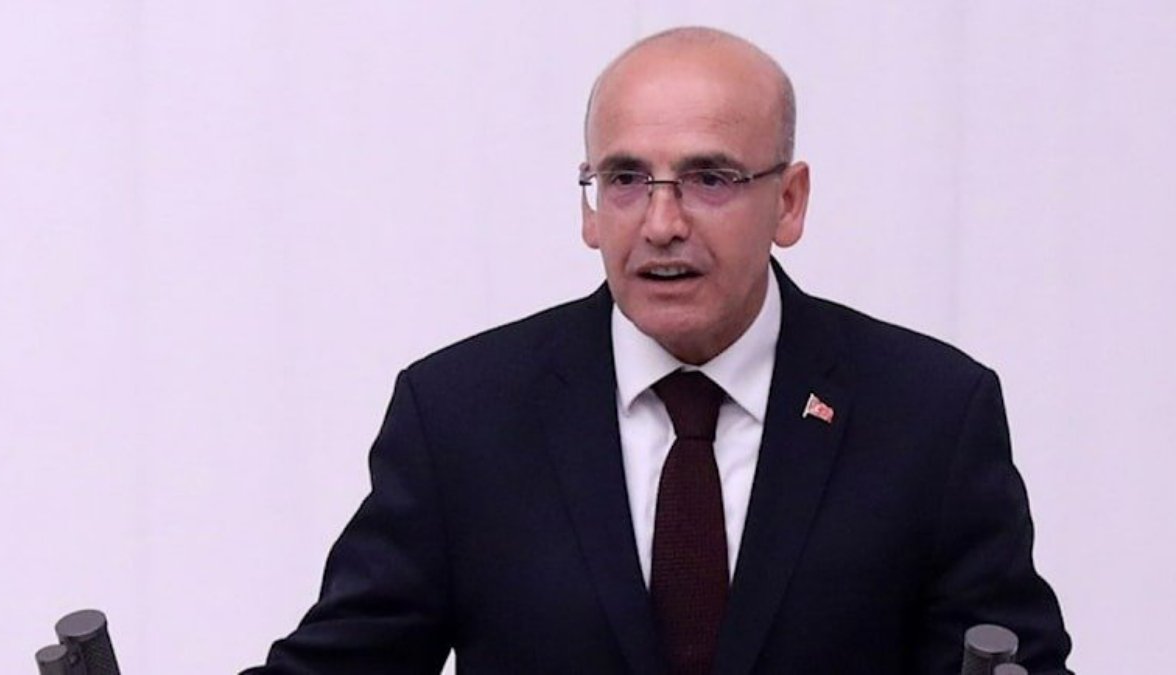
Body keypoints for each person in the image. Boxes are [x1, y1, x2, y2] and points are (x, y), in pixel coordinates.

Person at [244, 27, 1072, 674]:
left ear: (789, 201)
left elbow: (1009, 659)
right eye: (626, 180)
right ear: (589, 208)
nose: (662, 222)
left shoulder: (929, 414)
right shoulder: (462, 416)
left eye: (709, 179)